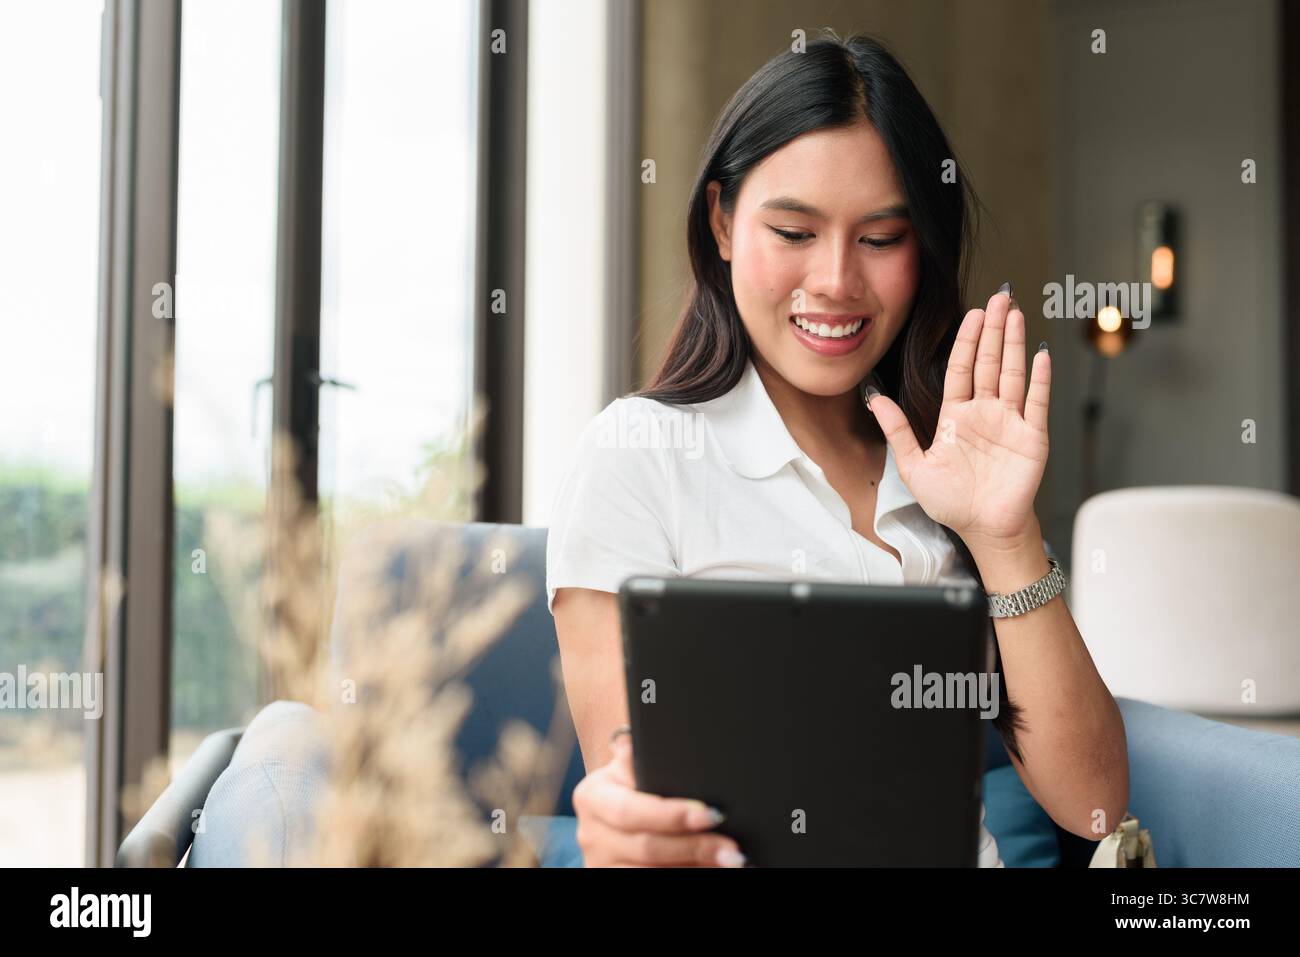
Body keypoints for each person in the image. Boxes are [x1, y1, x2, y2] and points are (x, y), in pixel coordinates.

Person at [546, 31, 1128, 867]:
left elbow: (1099, 804)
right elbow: (636, 808)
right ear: (720, 221)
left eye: (881, 239)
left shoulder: (946, 461)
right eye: (793, 231)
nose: (835, 282)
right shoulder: (635, 457)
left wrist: (1005, 538)